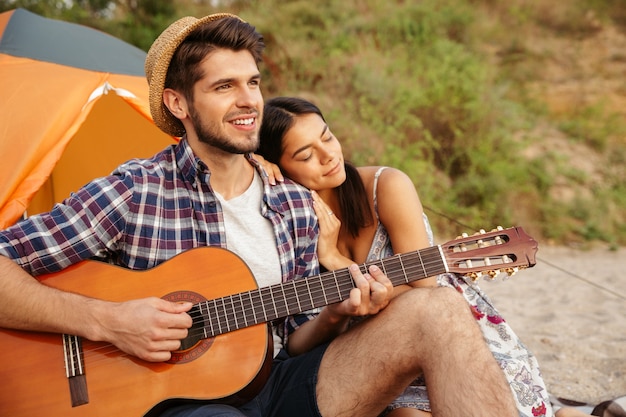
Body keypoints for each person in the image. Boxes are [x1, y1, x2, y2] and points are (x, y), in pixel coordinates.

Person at [0, 13, 535, 417]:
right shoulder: (135, 191)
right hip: (180, 403)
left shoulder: (294, 205)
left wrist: (334, 314)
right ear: (179, 104)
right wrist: (107, 320)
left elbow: (297, 338)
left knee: (438, 308)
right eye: (224, 86)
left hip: (280, 386)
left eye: (253, 82)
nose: (248, 100)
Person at [255, 96, 595, 417]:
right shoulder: (290, 221)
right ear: (279, 168)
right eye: (305, 155)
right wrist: (251, 162)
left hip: (445, 335)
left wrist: (334, 258)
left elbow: (424, 286)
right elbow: (296, 341)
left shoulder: (385, 186)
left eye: (327, 138)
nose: (328, 155)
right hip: (372, 358)